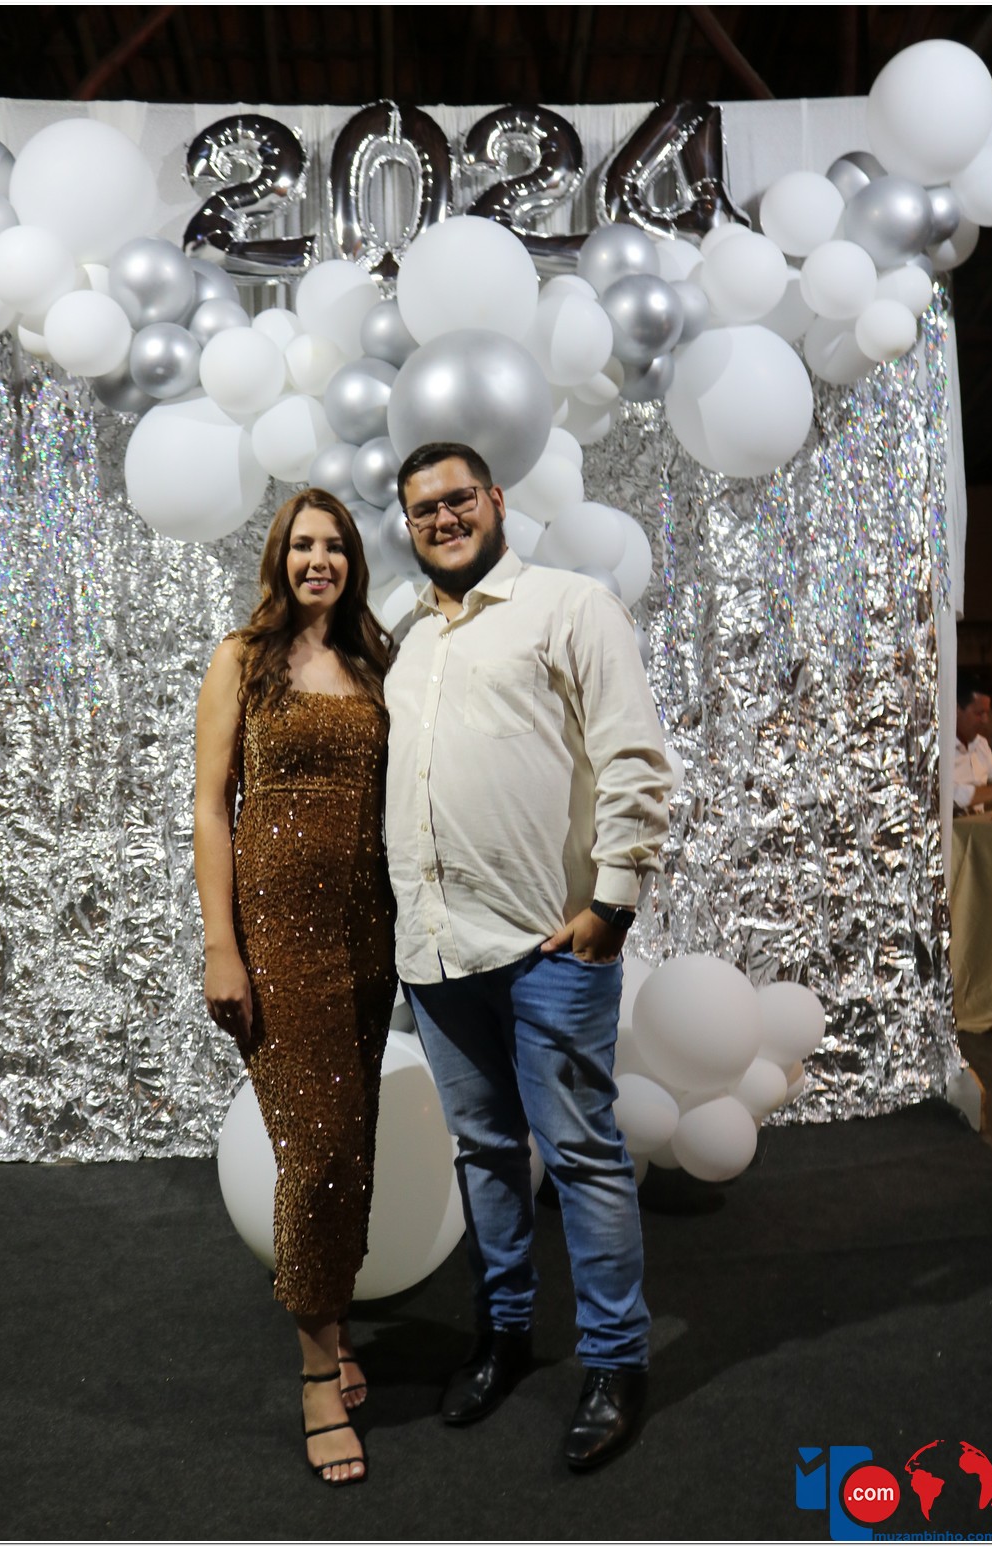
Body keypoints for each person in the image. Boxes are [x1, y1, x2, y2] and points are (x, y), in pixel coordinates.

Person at [383, 441, 673, 1471]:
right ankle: (504, 1335)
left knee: (583, 1155)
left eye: (458, 497)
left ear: (496, 499)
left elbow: (633, 755)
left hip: (548, 941)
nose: (444, 517)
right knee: (486, 1154)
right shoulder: (408, 636)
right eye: (424, 508)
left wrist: (613, 903)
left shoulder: (570, 604)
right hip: (436, 952)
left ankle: (616, 1360)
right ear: (408, 524)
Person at [194, 489, 396, 1486]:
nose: (319, 558)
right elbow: (209, 804)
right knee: (314, 1152)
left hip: (371, 931)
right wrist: (219, 945)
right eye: (302, 544)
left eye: (335, 545)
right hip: (279, 936)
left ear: (353, 560)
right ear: (278, 557)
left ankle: (335, 1323)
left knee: (351, 1146)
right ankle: (318, 1372)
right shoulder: (242, 657)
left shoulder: (373, 662)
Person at [954, 670, 992, 813]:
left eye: (987, 713)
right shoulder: (938, 749)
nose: (985, 720)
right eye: (979, 713)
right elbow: (952, 795)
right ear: (956, 709)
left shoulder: (980, 744)